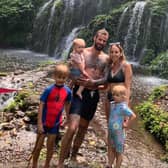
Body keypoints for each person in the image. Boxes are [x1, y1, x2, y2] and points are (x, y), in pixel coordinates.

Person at [57, 28, 109, 168]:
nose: (101, 42)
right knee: (72, 127)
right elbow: (70, 70)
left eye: (104, 41)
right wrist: (75, 79)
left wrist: (94, 83)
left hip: (93, 95)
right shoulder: (82, 52)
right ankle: (61, 161)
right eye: (100, 39)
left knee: (83, 128)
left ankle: (73, 156)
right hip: (78, 94)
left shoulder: (106, 58)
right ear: (95, 38)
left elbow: (106, 79)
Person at [31, 63, 72, 168]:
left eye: (63, 78)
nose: (61, 80)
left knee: (50, 146)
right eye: (59, 77)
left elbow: (67, 105)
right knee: (38, 146)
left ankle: (46, 165)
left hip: (55, 123)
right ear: (54, 76)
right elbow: (41, 106)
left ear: (66, 78)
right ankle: (34, 164)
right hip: (44, 122)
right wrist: (39, 123)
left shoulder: (67, 91)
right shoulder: (48, 90)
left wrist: (67, 118)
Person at [106, 85, 136, 168]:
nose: (114, 96)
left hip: (119, 132)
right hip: (112, 131)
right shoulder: (113, 104)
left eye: (117, 95)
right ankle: (110, 164)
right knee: (112, 148)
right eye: (113, 94)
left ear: (123, 97)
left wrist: (126, 124)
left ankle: (117, 166)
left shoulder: (123, 107)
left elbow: (133, 116)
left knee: (119, 151)